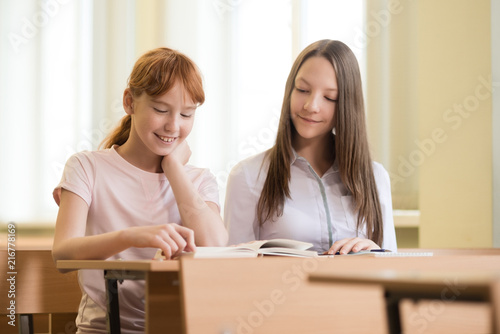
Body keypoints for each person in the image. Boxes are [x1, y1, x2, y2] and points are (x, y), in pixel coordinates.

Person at [52, 47, 228, 333]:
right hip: (104, 329)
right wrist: (132, 236)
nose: (173, 125)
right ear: (129, 102)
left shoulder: (199, 180)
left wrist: (173, 167)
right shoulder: (87, 167)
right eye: (160, 110)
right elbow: (62, 255)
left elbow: (216, 245)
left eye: (187, 114)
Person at [225, 40, 397, 255]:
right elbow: (234, 269)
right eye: (303, 90)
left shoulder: (375, 177)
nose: (311, 106)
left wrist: (376, 252)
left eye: (329, 97)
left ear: (347, 104)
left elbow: (393, 268)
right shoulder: (248, 176)